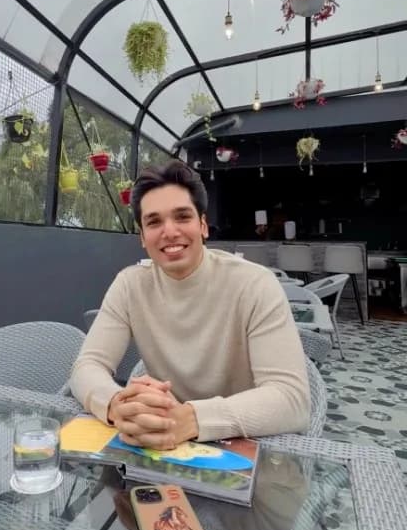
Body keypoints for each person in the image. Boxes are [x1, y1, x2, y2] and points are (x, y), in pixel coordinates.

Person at [70, 160, 310, 448]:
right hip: (162, 444)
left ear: (203, 226)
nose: (169, 231)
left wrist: (192, 419)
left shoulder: (255, 285)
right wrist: (116, 404)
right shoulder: (130, 285)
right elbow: (87, 366)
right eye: (154, 222)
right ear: (143, 238)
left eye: (182, 217)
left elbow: (291, 399)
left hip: (244, 441)